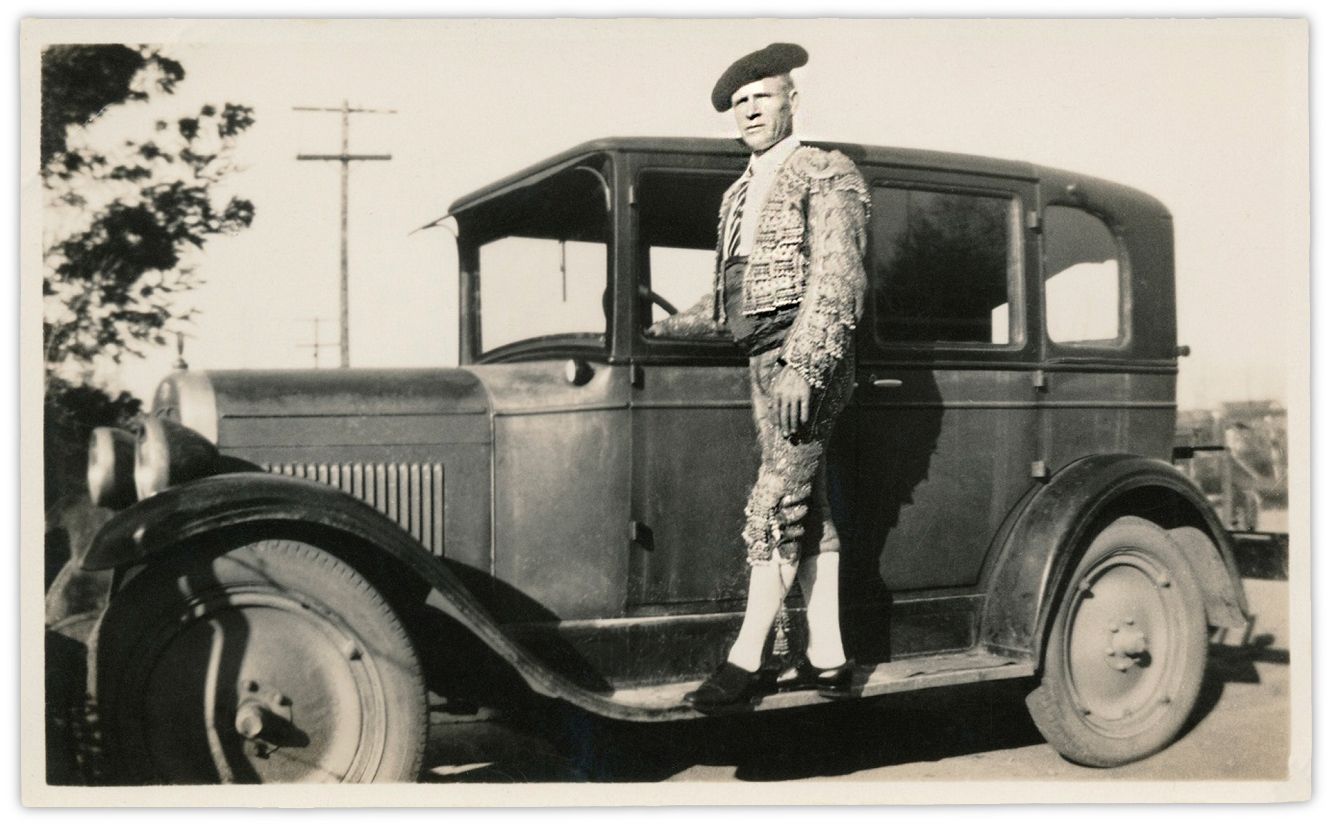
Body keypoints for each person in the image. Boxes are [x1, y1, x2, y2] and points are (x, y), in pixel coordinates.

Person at [647, 43, 870, 707]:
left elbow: (839, 275)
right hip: (760, 357)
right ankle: (828, 655)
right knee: (810, 504)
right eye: (739, 103)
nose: (749, 110)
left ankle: (746, 661)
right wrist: (661, 325)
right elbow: (727, 296)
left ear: (791, 100)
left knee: (776, 498)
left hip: (807, 358)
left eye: (761, 97)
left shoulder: (825, 170)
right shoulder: (737, 193)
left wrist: (805, 364)